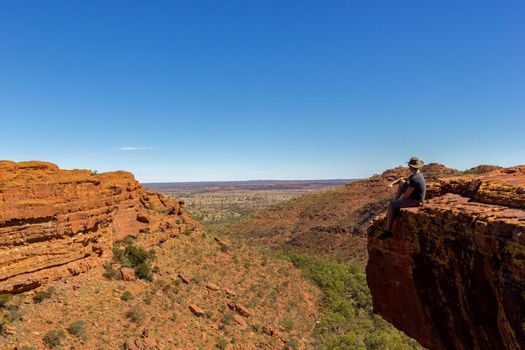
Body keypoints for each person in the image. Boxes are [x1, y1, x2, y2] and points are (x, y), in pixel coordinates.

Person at [379, 157, 426, 240]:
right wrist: (392, 184)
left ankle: (388, 231)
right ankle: (395, 201)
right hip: (414, 196)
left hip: (415, 201)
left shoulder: (415, 179)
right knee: (402, 182)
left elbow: (406, 196)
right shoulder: (417, 175)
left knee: (392, 205)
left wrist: (397, 203)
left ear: (410, 167)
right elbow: (402, 179)